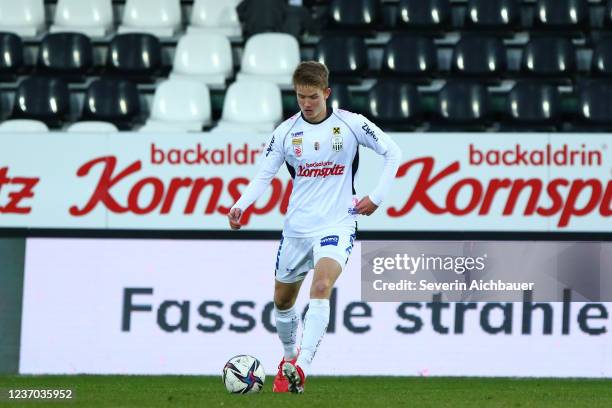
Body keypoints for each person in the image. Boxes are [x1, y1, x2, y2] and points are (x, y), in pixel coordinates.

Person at [227, 61, 402, 393]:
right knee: (281, 301)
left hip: (337, 223)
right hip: (297, 228)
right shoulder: (286, 132)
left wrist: (376, 197)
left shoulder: (351, 124)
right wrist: (240, 205)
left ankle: (302, 368)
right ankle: (289, 358)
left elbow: (393, 152)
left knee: (321, 286)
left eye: (312, 97)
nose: (306, 103)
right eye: (299, 96)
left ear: (326, 93)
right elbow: (264, 175)